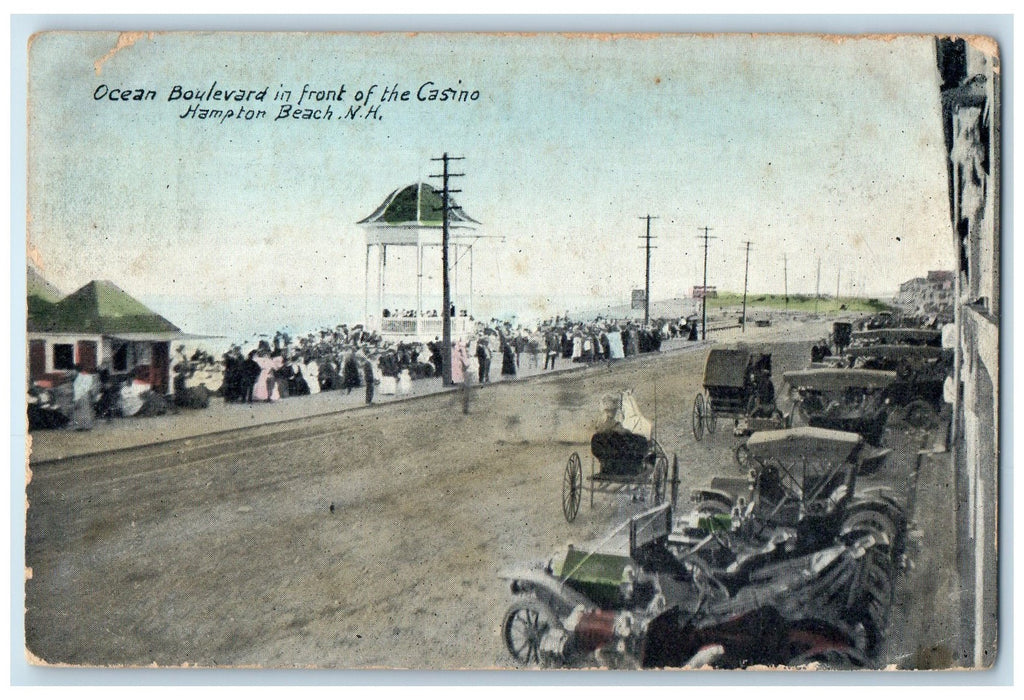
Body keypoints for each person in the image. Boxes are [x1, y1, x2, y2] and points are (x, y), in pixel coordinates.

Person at [69, 365, 98, 431]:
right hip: (85, 395)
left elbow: (79, 389)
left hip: (82, 395)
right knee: (83, 411)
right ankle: (83, 426)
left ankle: (83, 426)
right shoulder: (88, 377)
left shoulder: (81, 378)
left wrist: (76, 399)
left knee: (82, 411)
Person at [451, 338, 471, 414]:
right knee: (465, 392)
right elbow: (466, 364)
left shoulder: (451, 354)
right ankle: (465, 409)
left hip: (455, 375)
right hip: (462, 374)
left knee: (460, 392)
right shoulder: (459, 355)